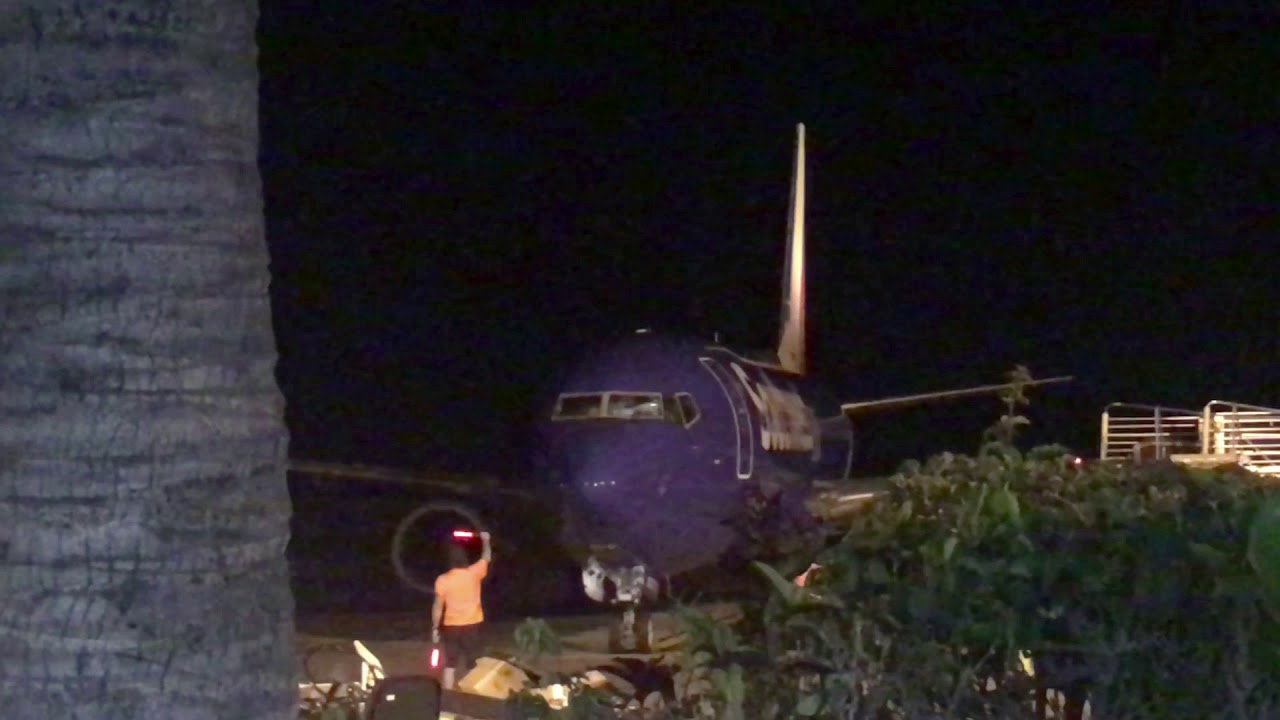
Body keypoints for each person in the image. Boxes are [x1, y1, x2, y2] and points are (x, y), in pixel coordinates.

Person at [432, 530, 491, 688]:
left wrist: (435, 628)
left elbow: (438, 607)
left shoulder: (442, 580)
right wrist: (486, 540)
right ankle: (475, 696)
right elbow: (486, 558)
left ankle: (448, 698)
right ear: (465, 559)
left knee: (450, 665)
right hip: (473, 625)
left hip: (451, 626)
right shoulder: (474, 573)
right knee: (473, 664)